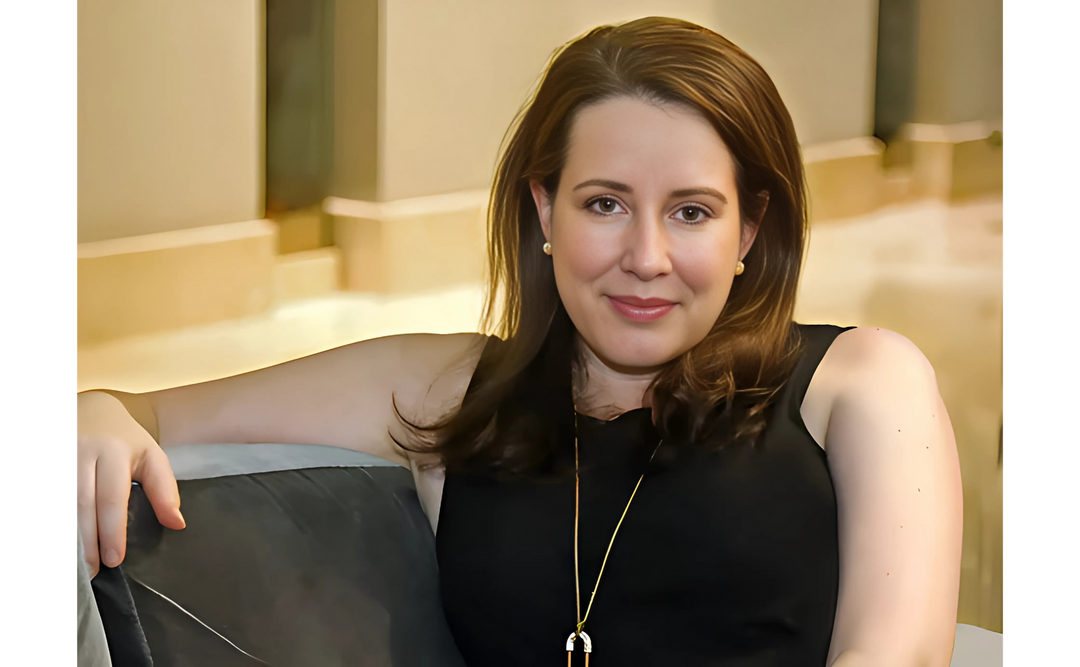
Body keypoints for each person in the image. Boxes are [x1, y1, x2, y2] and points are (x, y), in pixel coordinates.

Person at [74, 16, 963, 666]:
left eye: (691, 212)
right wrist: (101, 414)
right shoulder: (452, 388)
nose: (645, 258)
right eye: (604, 203)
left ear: (749, 230)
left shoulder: (858, 382)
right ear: (545, 209)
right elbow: (143, 407)